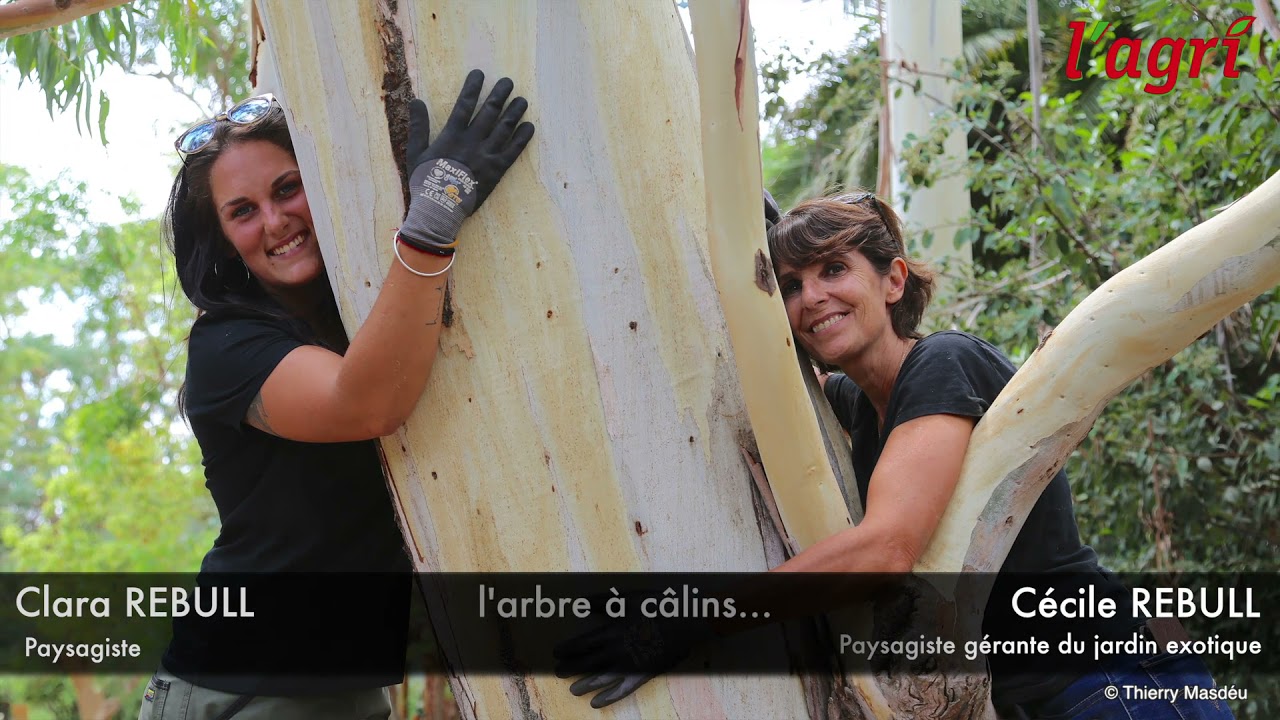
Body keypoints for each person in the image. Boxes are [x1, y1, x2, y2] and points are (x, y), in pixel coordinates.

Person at [561, 191, 1233, 719]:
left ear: (893, 281)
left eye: (833, 270)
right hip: (1047, 695)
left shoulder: (943, 362)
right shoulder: (861, 404)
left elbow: (887, 547)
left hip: (1116, 678)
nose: (812, 297)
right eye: (791, 285)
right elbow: (795, 374)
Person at [137, 69, 533, 720]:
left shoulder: (359, 309)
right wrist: (435, 211)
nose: (275, 221)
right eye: (243, 211)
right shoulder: (226, 346)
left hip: (343, 688)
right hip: (243, 688)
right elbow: (366, 403)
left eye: (287, 188)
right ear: (225, 242)